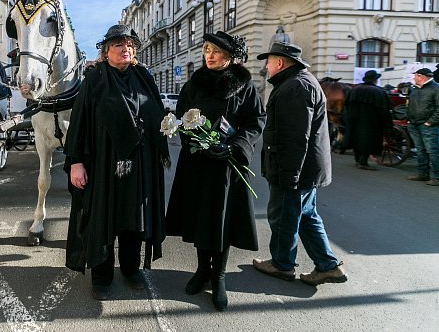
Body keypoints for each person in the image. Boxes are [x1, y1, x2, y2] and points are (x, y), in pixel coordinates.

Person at [64, 24, 170, 301]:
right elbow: (79, 123)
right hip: (103, 162)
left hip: (140, 163)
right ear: (106, 51)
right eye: (118, 45)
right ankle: (102, 274)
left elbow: (156, 112)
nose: (126, 49)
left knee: (134, 217)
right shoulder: (95, 79)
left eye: (130, 45)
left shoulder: (144, 77)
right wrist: (76, 162)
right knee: (104, 216)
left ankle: (131, 269)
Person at [166, 32, 266, 311]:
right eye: (207, 49)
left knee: (221, 221)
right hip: (198, 163)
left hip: (227, 167)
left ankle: (218, 276)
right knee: (200, 218)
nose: (209, 55)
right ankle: (201, 271)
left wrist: (235, 147)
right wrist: (197, 142)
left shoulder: (245, 87)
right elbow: (183, 118)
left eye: (216, 51)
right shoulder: (193, 85)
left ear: (231, 57)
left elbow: (255, 121)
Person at [253, 42, 348, 286]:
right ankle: (328, 266)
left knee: (284, 217)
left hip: (295, 170)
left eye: (269, 61)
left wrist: (289, 175)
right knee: (306, 216)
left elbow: (296, 137)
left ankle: (281, 264)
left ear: (281, 63)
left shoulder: (295, 86)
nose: (267, 66)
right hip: (304, 169)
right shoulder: (299, 82)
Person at [343, 69, 393, 170]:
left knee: (356, 139)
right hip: (371, 122)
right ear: (375, 80)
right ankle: (363, 162)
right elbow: (383, 110)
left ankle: (358, 160)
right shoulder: (379, 92)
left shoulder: (354, 89)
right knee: (367, 141)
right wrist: (388, 125)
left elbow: (346, 105)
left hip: (354, 120)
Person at [405, 68, 439, 186]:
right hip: (415, 124)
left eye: (415, 76)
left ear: (421, 77)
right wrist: (409, 119)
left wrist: (430, 122)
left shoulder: (436, 88)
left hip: (428, 125)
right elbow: (409, 105)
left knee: (432, 151)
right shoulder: (414, 89)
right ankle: (423, 174)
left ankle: (437, 177)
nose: (413, 78)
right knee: (421, 150)